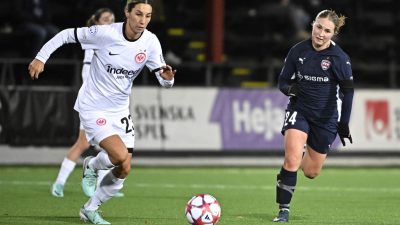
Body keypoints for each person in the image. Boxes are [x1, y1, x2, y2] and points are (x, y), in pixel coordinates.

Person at [28, 0, 176, 224]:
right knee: (118, 156)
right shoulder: (105, 33)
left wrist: (168, 79)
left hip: (120, 110)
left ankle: (90, 208)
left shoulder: (151, 42)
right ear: (126, 13)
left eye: (148, 16)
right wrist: (41, 57)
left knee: (125, 168)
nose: (142, 21)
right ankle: (92, 164)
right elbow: (67, 34)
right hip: (93, 105)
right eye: (138, 14)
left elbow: (163, 78)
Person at [273, 9, 354, 222]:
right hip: (299, 110)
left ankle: (287, 174)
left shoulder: (340, 59)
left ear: (334, 33)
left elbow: (348, 92)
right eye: (318, 27)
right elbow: (282, 81)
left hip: (326, 119)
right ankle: (283, 210)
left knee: (310, 172)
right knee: (291, 160)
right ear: (312, 25)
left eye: (327, 30)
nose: (320, 33)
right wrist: (290, 90)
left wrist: (343, 124)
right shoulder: (297, 51)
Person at [50, 7, 116, 198]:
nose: (110, 23)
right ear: (96, 23)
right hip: (93, 103)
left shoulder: (112, 43)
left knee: (107, 146)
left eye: (112, 19)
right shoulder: (94, 42)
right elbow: (87, 74)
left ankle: (102, 187)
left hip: (107, 103)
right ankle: (59, 183)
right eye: (105, 19)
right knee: (82, 144)